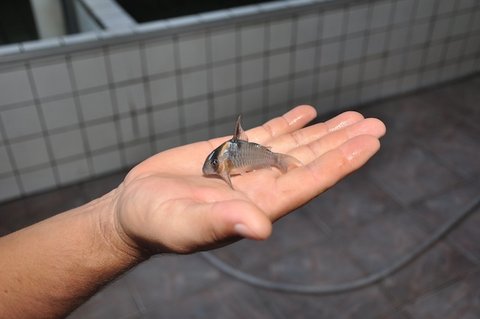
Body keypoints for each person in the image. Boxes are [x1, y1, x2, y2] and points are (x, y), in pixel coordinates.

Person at [0, 105, 385, 318]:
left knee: (274, 161)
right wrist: (117, 224)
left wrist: (113, 225)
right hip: (246, 155)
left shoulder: (232, 158)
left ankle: (277, 160)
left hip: (250, 155)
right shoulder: (223, 162)